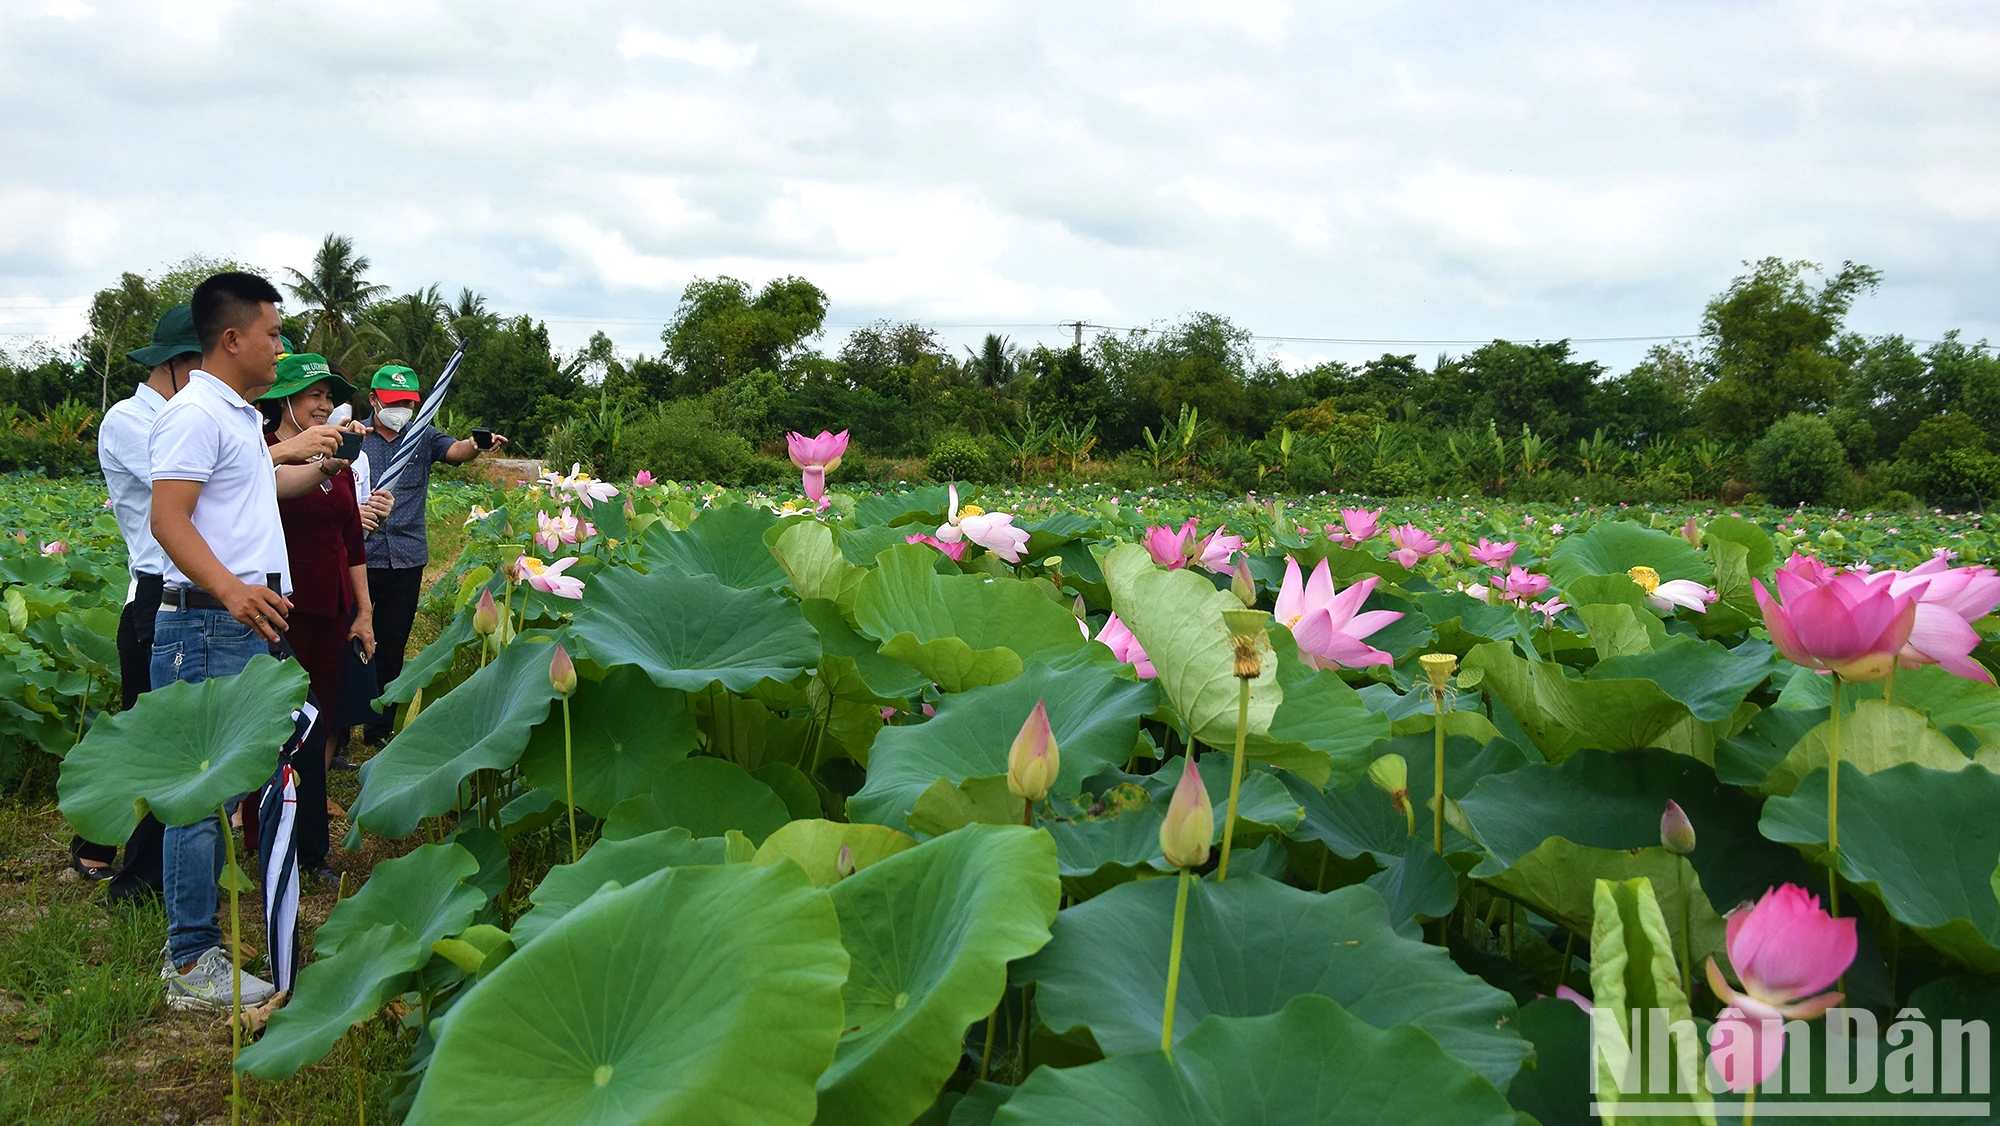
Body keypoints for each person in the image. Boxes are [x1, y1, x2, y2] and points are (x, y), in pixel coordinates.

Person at [149, 271, 333, 1011]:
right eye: (274, 332)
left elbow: (260, 491)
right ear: (233, 339)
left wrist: (320, 463)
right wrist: (231, 590)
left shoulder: (237, 417)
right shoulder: (197, 413)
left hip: (240, 620)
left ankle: (207, 946)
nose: (280, 346)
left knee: (222, 791)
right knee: (197, 796)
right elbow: (170, 519)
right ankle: (191, 962)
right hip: (207, 623)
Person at [72, 304, 202, 897]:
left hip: (188, 595)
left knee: (156, 737)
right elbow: (188, 486)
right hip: (154, 595)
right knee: (150, 740)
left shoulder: (185, 414)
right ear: (178, 364)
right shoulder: (130, 420)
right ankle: (133, 876)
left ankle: (124, 855)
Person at [257, 353, 388, 885]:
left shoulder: (339, 467)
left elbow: (352, 543)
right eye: (313, 395)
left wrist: (364, 611)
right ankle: (268, 841)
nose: (324, 406)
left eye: (328, 397)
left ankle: (312, 851)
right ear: (284, 398)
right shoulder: (259, 457)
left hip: (331, 611)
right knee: (277, 733)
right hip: (282, 612)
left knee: (318, 730)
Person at [358, 364, 506, 744]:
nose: (402, 408)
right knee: (354, 640)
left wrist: (477, 444)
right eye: (394, 402)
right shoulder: (354, 436)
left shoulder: (421, 434)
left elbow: (456, 451)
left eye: (409, 402)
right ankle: (341, 726)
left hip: (406, 555)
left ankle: (379, 726)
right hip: (360, 556)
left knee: (392, 642)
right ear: (373, 400)